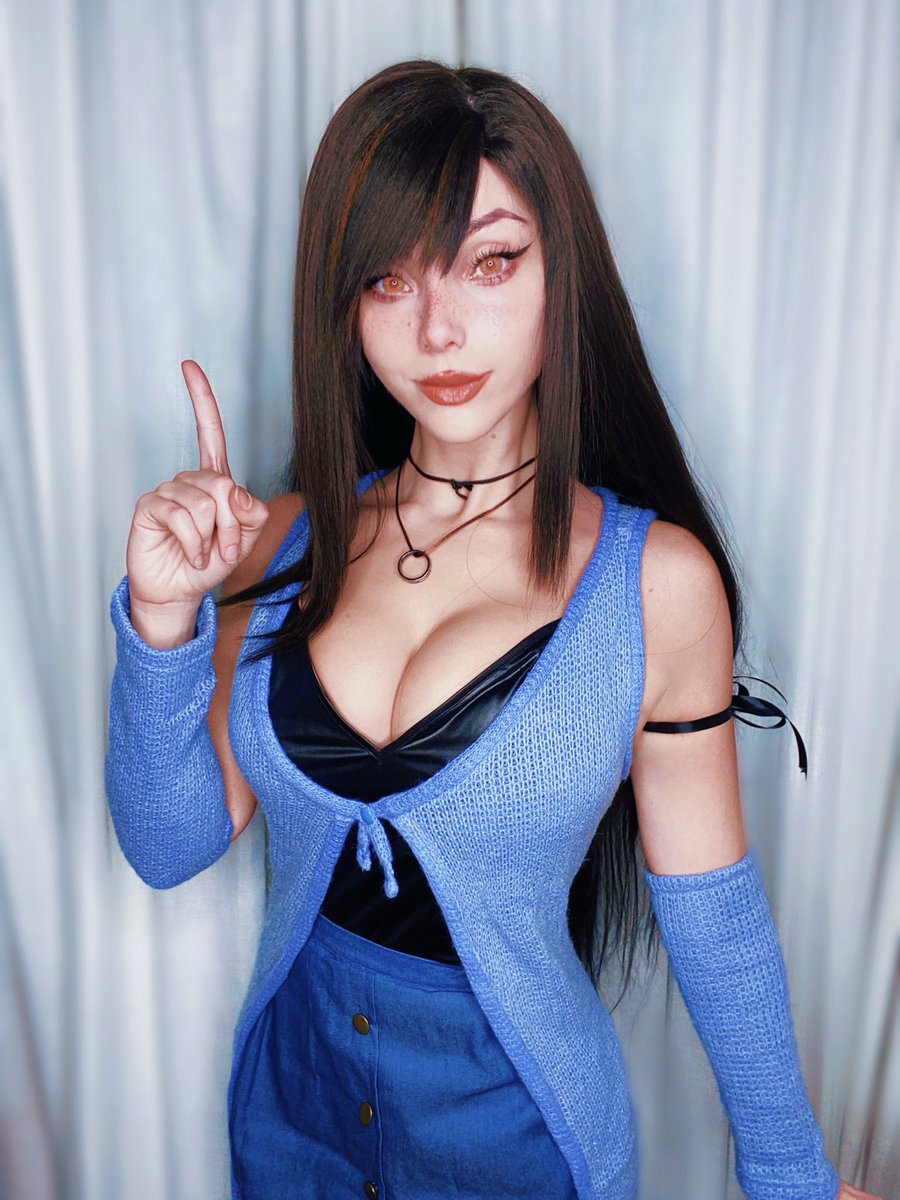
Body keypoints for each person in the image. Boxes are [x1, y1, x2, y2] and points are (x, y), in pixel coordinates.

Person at [104, 59, 884, 1200]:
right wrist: (163, 618)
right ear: (345, 304)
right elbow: (169, 844)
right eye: (389, 277)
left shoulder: (653, 588)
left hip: (520, 1148)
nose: (438, 328)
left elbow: (712, 915)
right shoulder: (280, 542)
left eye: (491, 261)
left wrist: (790, 1177)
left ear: (562, 272)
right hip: (289, 1124)